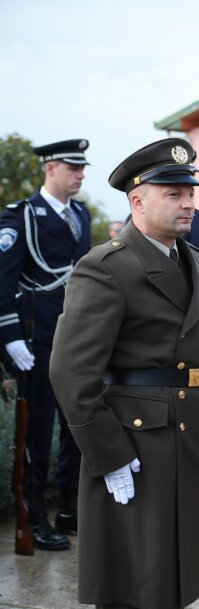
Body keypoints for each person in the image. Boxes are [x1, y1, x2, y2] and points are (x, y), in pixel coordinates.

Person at [49, 138, 199, 609]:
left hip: (181, 439)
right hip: (132, 445)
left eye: (190, 192)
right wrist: (108, 455)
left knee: (169, 575)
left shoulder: (194, 261)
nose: (187, 202)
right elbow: (73, 373)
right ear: (137, 200)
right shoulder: (107, 268)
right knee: (128, 581)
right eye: (174, 192)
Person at [0, 139, 92, 551]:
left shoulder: (81, 215)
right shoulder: (20, 217)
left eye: (82, 168)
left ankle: (70, 508)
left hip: (74, 337)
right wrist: (10, 337)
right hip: (36, 338)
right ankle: (33, 516)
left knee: (77, 428)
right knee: (36, 432)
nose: (80, 175)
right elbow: (2, 281)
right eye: (73, 168)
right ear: (50, 167)